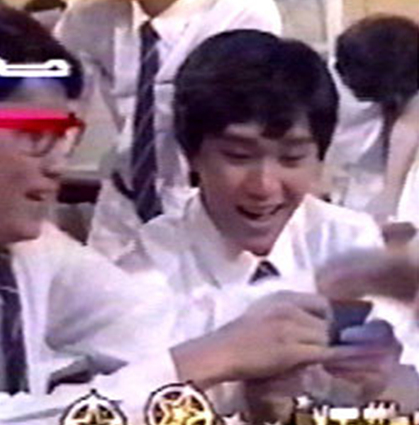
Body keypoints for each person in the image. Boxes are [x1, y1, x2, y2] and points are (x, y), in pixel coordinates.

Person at [0, 7, 352, 424]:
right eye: (35, 137)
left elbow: (159, 327)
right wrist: (210, 359)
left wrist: (295, 350)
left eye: (64, 138)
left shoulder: (30, 251)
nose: (57, 164)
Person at [118, 30, 415, 420]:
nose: (264, 186)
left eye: (292, 159)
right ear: (193, 155)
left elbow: (403, 371)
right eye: (238, 156)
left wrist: (380, 382)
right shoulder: (146, 269)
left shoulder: (349, 240)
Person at [54, 0, 282, 260]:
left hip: (206, 204)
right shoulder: (88, 17)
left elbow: (251, 125)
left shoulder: (242, 12)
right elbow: (61, 109)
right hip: (124, 206)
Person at [322, 15, 419, 217]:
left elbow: (407, 131)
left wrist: (390, 198)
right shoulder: (318, 86)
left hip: (369, 169)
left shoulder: (408, 74)